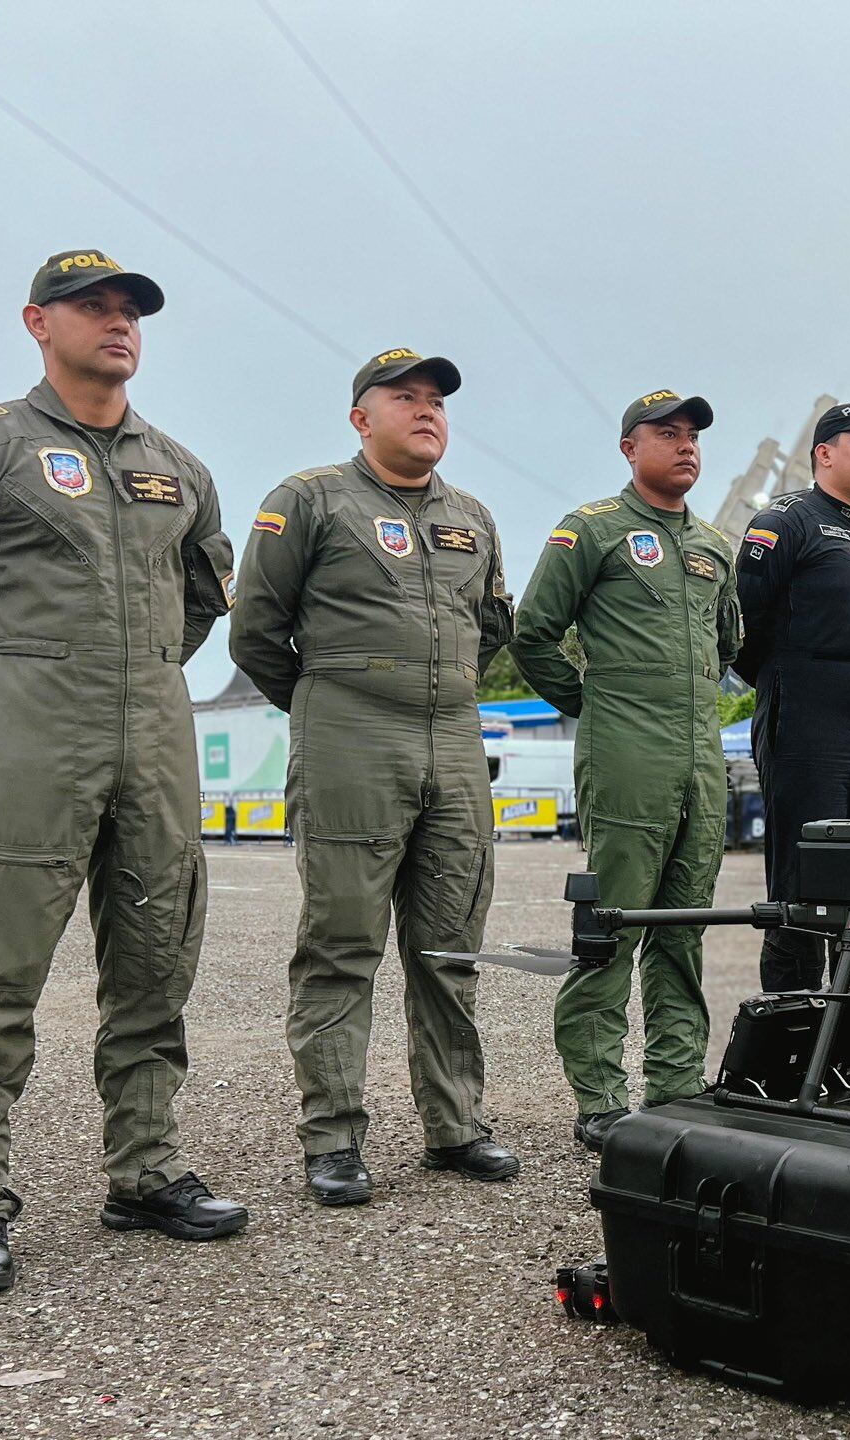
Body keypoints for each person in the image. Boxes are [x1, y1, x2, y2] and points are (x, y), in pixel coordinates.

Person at [0, 249, 244, 1296]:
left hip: (155, 735)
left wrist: (132, 679)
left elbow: (202, 595)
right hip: (30, 735)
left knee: (154, 962)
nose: (118, 322)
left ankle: (143, 1170)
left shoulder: (178, 466)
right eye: (94, 307)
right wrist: (17, 680)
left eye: (130, 309)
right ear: (38, 322)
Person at [230, 348, 518, 1205]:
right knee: (341, 947)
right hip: (352, 738)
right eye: (406, 398)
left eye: (437, 401)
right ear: (362, 417)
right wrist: (333, 699)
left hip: (454, 741)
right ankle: (333, 1139)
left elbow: (491, 628)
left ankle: (456, 1124)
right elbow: (255, 632)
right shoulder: (309, 500)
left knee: (450, 947)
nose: (427, 411)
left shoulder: (474, 516)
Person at [511, 390, 740, 1153]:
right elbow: (534, 633)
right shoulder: (593, 531)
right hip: (626, 760)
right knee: (613, 932)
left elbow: (726, 645)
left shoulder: (713, 544)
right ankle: (600, 1097)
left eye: (693, 436)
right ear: (627, 447)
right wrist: (596, 704)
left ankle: (675, 1087)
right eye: (666, 434)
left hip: (700, 765)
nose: (685, 446)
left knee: (683, 935)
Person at [735, 402, 850, 992]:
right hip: (808, 735)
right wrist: (793, 691)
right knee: (803, 895)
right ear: (824, 454)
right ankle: (791, 1046)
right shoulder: (785, 521)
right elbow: (740, 630)